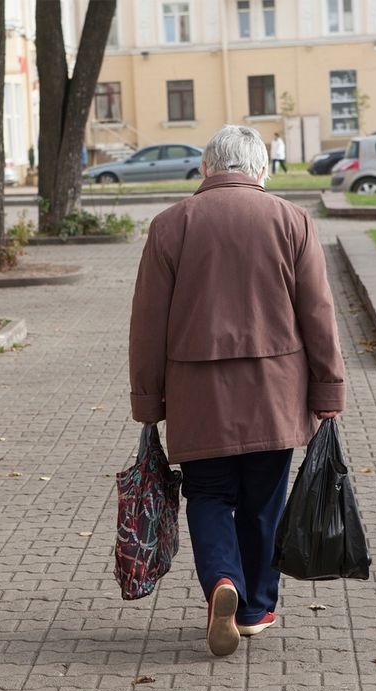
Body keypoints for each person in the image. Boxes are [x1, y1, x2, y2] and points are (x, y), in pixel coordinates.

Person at [128, 124, 345, 657]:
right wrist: (328, 390)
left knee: (208, 495)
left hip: (198, 396)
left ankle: (222, 581)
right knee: (263, 501)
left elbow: (148, 322)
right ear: (262, 171)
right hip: (275, 392)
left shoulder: (170, 225)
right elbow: (318, 314)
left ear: (206, 168)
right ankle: (253, 610)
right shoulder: (292, 221)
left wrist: (148, 400)